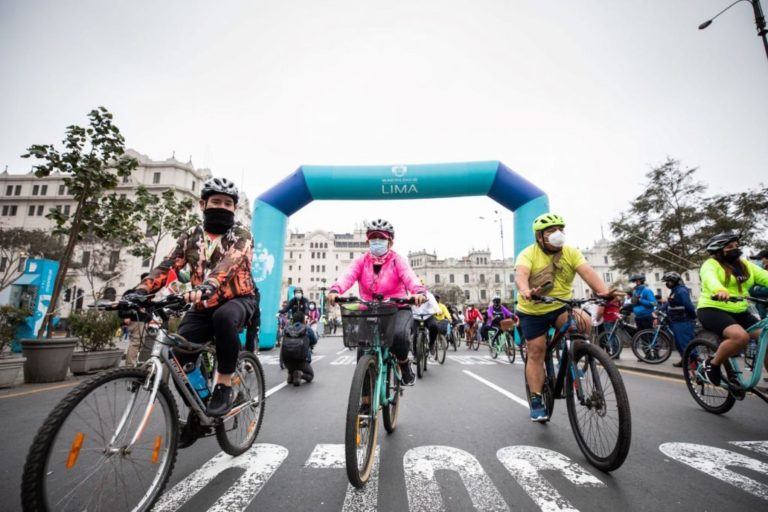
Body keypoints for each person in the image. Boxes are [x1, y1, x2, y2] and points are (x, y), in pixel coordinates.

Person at [124, 177, 259, 417]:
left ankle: (223, 385)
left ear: (234, 208)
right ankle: (200, 411)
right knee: (178, 355)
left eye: (228, 204)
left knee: (225, 317)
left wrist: (209, 285)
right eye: (216, 201)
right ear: (202, 204)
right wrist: (141, 291)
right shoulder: (190, 236)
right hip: (202, 304)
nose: (222, 207)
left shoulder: (241, 234)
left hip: (238, 299)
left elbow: (231, 263)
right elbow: (168, 266)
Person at [515, 213, 614, 421]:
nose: (557, 234)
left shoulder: (571, 253)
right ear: (539, 237)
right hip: (533, 309)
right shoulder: (528, 254)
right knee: (536, 351)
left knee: (583, 321)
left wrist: (603, 292)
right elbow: (521, 275)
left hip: (561, 305)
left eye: (559, 230)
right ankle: (536, 399)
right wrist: (525, 290)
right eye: (550, 231)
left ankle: (570, 359)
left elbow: (587, 272)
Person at [326, 218, 427, 385]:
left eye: (381, 238)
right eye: (373, 239)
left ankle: (403, 364)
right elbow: (348, 275)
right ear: (368, 241)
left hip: (397, 308)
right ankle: (365, 399)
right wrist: (336, 290)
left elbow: (410, 278)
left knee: (399, 337)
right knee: (362, 349)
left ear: (390, 242)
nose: (377, 242)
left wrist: (418, 292)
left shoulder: (397, 260)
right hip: (370, 309)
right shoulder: (361, 261)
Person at [698, 233, 768, 386]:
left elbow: (764, 276)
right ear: (718, 250)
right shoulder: (710, 264)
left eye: (736, 246)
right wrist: (719, 290)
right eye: (729, 247)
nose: (735, 250)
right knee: (740, 337)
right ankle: (712, 365)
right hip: (713, 308)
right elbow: (710, 279)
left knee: (766, 339)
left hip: (740, 310)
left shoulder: (745, 265)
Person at [661, 271, 697, 367]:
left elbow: (688, 305)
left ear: (674, 281)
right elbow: (669, 303)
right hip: (676, 321)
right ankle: (684, 360)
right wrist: (660, 310)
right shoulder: (675, 291)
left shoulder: (681, 291)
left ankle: (693, 363)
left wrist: (693, 316)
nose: (667, 284)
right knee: (679, 343)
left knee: (686, 342)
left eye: (668, 281)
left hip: (683, 320)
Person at [749, 249, 768, 320]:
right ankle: (763, 320)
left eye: (760, 259)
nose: (757, 261)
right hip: (755, 291)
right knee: (761, 299)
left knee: (761, 298)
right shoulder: (757, 269)